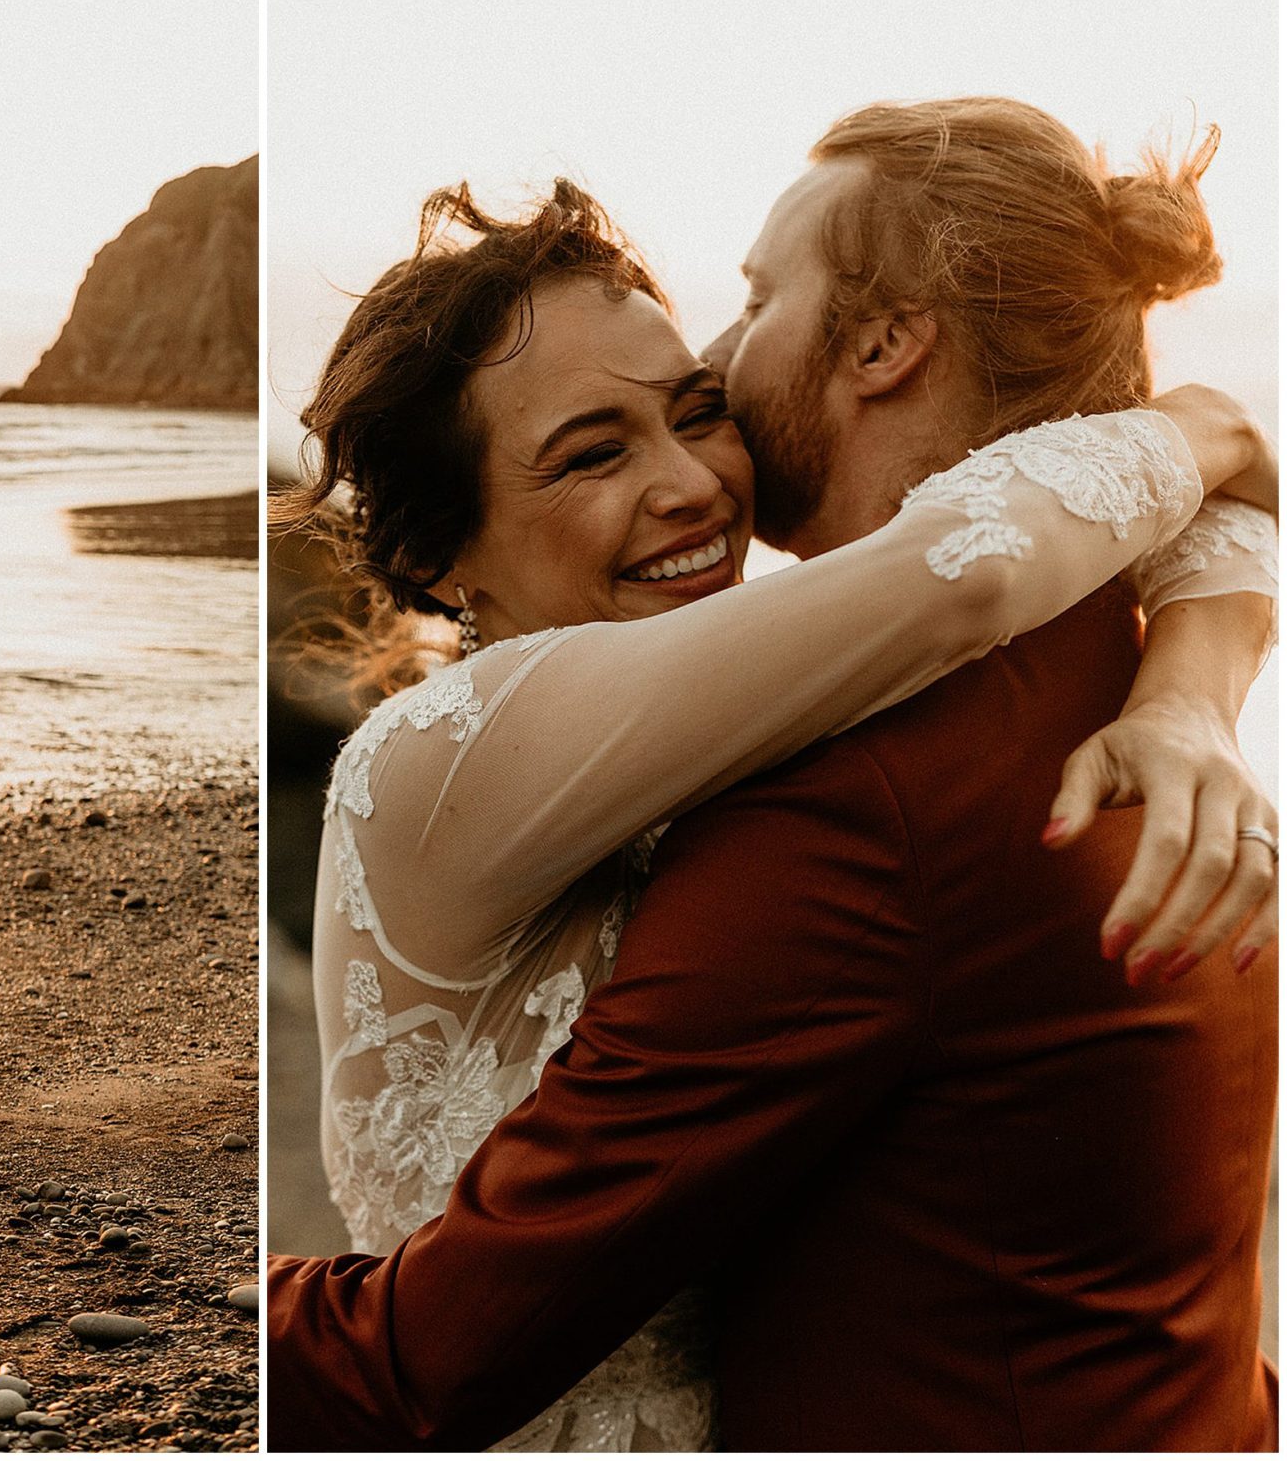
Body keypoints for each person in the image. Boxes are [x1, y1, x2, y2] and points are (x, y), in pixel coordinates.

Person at [268, 99, 1277, 1450]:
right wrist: (1206, 437)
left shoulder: (876, 790)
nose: (718, 414)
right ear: (451, 549)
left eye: (740, 322)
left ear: (878, 342)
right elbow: (985, 565)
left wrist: (1199, 672)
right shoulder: (1109, 679)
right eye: (592, 449)